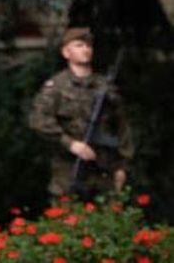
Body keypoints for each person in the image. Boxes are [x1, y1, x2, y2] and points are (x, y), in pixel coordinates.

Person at [29, 27, 134, 199]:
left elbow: (122, 127)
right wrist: (71, 144)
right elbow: (39, 121)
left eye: (88, 46)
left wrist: (122, 167)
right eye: (79, 45)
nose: (85, 49)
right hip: (69, 172)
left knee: (107, 222)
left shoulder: (105, 87)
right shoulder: (56, 87)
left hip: (104, 172)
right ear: (66, 52)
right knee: (68, 221)